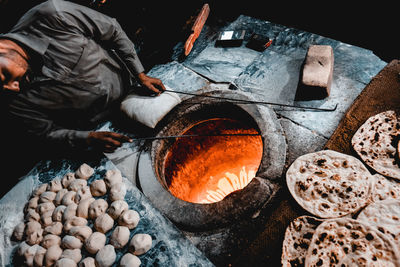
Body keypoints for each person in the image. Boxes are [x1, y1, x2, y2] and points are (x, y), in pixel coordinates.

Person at [0, 0, 166, 155]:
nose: (14, 88)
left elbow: (112, 30)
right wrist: (87, 138)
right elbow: (46, 133)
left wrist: (141, 75)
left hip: (135, 89)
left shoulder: (51, 15)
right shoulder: (13, 99)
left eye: (4, 77)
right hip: (103, 128)